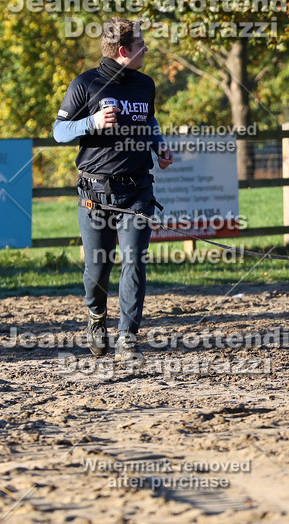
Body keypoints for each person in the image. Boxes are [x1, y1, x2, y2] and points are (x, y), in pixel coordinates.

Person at [53, 18, 173, 361]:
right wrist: (92, 122)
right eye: (140, 46)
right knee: (97, 268)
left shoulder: (145, 84)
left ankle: (127, 336)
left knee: (134, 260)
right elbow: (59, 132)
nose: (145, 50)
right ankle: (96, 317)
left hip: (137, 191)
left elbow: (148, 121)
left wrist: (159, 147)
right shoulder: (86, 83)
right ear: (123, 51)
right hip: (94, 195)